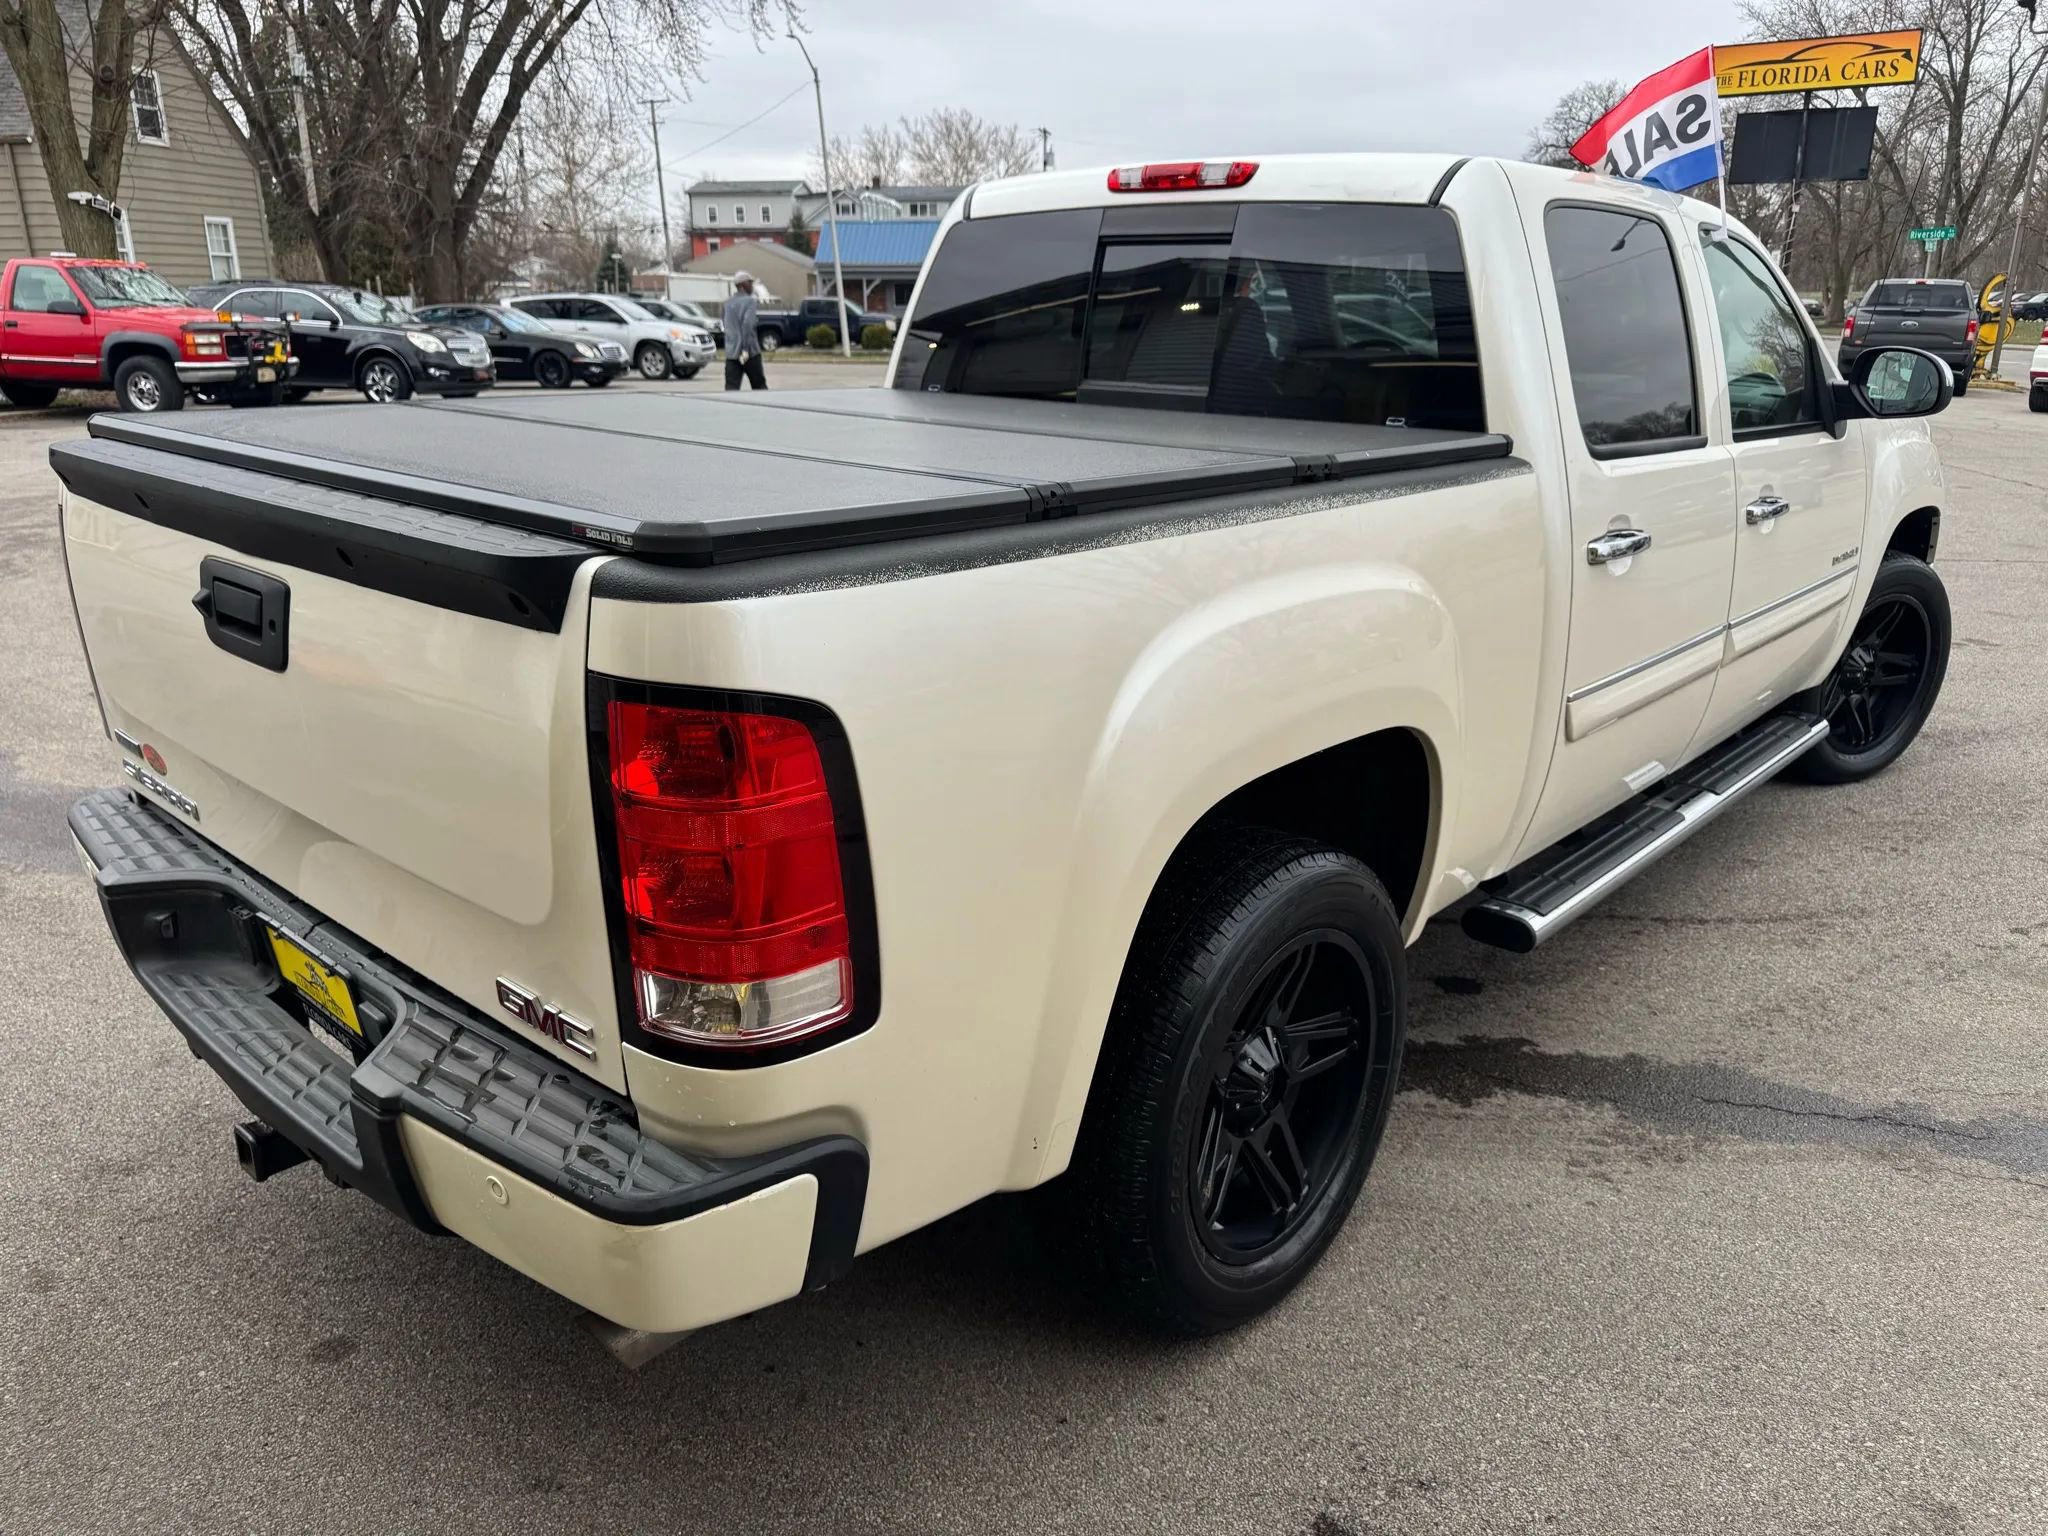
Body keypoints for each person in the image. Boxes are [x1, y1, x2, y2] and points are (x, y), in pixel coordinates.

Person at [722, 273, 767, 391]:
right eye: (750, 283)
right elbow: (748, 325)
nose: (751, 286)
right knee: (759, 387)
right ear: (742, 285)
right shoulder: (750, 301)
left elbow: (726, 326)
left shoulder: (727, 303)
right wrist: (745, 350)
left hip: (732, 353)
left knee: (731, 388)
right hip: (749, 352)